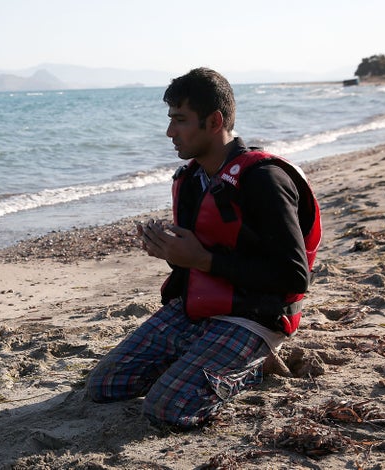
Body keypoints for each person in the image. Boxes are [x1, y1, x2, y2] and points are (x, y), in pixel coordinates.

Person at [86, 68, 322, 429]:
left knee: (166, 410)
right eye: (170, 120)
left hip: (254, 316)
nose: (170, 132)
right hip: (199, 307)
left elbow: (293, 276)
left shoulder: (264, 180)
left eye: (180, 120)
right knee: (104, 386)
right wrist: (169, 251)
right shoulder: (192, 178)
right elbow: (197, 260)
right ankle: (200, 359)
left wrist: (203, 260)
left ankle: (253, 365)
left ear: (214, 121)